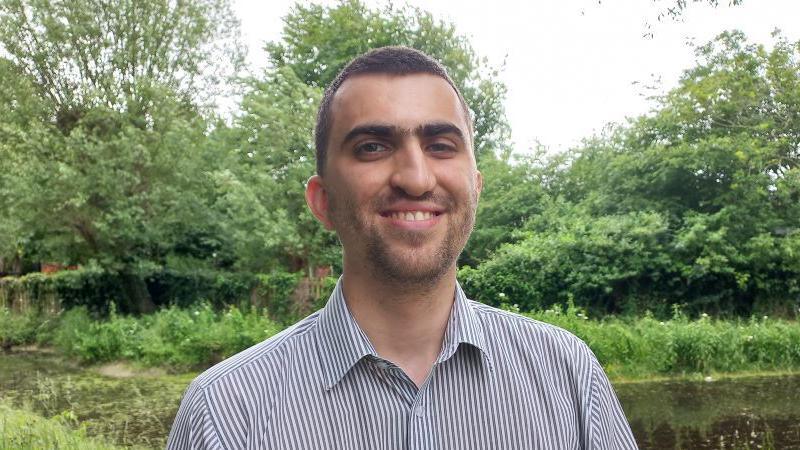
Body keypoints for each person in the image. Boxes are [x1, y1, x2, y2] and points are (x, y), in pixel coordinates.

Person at [167, 46, 638, 450]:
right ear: (323, 200)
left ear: (475, 188)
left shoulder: (568, 377)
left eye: (440, 144)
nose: (415, 177)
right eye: (372, 146)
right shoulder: (225, 415)